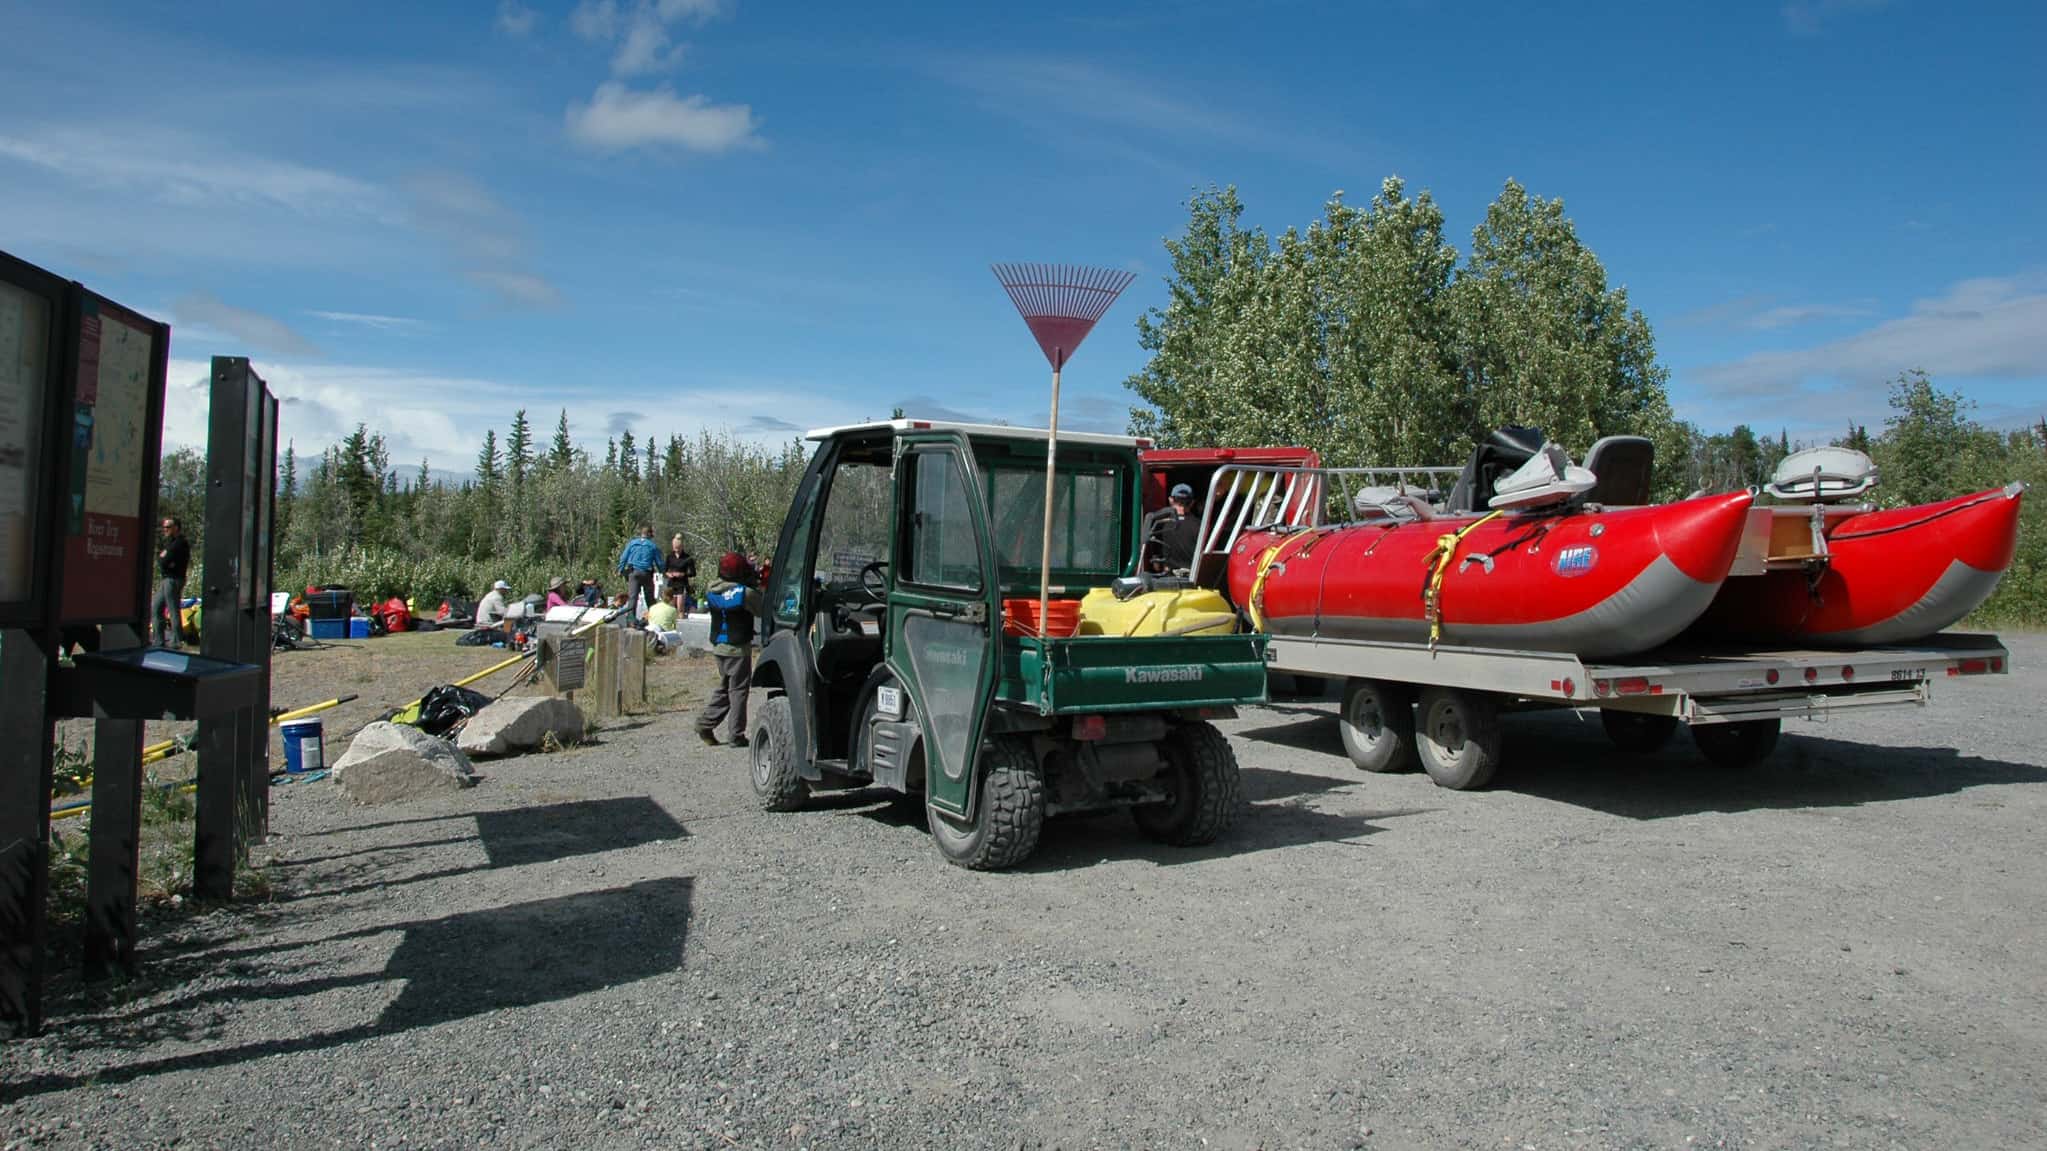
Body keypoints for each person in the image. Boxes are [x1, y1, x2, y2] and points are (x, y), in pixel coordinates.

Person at [695, 552, 764, 747]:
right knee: (738, 691)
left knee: (725, 688)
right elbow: (762, 608)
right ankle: (736, 735)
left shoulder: (712, 588)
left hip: (719, 647)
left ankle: (705, 724)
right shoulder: (744, 593)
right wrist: (756, 585)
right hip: (737, 649)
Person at [1143, 483, 1202, 572]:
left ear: (1171, 500)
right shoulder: (1201, 525)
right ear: (1192, 502)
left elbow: (1156, 565)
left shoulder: (1159, 524)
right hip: (1194, 578)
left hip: (1168, 579)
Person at [151, 516, 190, 647]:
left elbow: (164, 560)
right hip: (166, 579)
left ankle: (177, 641)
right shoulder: (171, 543)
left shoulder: (180, 543)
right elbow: (162, 560)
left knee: (173, 610)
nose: (165, 529)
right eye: (164, 527)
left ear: (176, 528)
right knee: (156, 607)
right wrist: (164, 559)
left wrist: (165, 558)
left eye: (168, 527)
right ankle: (158, 641)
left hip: (173, 580)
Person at [617, 524, 661, 620]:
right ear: (649, 534)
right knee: (649, 598)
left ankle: (631, 620)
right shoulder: (653, 546)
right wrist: (663, 572)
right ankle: (653, 619)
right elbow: (659, 562)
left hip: (633, 572)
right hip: (646, 573)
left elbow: (623, 557)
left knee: (633, 598)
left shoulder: (632, 543)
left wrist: (620, 569)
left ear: (641, 534)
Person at [664, 534, 698, 615]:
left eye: (678, 548)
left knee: (680, 608)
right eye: (674, 548)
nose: (676, 550)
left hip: (682, 584)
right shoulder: (669, 556)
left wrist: (682, 574)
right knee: (670, 607)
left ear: (682, 547)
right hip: (671, 583)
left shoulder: (687, 558)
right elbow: (664, 570)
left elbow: (693, 573)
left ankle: (681, 621)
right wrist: (669, 574)